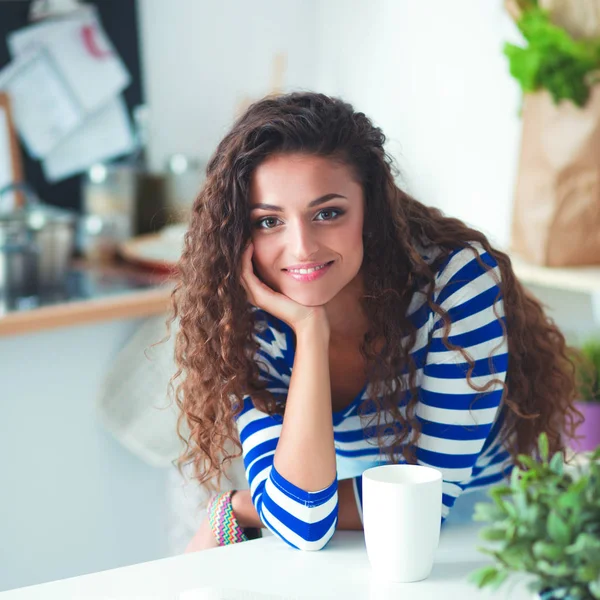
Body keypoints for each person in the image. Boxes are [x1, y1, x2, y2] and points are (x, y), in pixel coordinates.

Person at [170, 92, 580, 552]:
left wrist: (243, 507)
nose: (302, 247)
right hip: (356, 545)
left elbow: (425, 502)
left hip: (489, 540)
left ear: (370, 209)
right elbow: (304, 523)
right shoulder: (253, 322)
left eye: (327, 213)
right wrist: (309, 330)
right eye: (269, 222)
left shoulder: (454, 285)